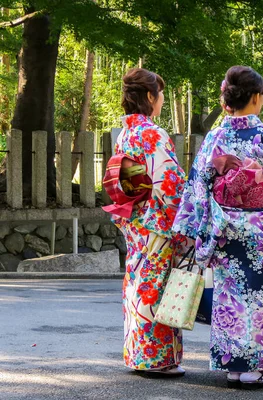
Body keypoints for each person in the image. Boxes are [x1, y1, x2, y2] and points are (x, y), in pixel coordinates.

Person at [172, 66, 263, 388]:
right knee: (260, 295)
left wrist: (194, 226)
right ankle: (253, 367)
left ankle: (235, 365)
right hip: (260, 231)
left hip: (223, 228)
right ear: (257, 98)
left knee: (230, 295)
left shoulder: (214, 138)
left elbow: (198, 185)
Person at [106, 68, 187, 376]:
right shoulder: (152, 133)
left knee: (138, 285)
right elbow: (169, 184)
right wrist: (185, 221)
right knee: (155, 287)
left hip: (135, 219)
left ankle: (138, 355)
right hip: (156, 221)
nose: (162, 99)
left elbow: (123, 181)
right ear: (150, 97)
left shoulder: (126, 132)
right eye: (160, 93)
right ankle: (156, 359)